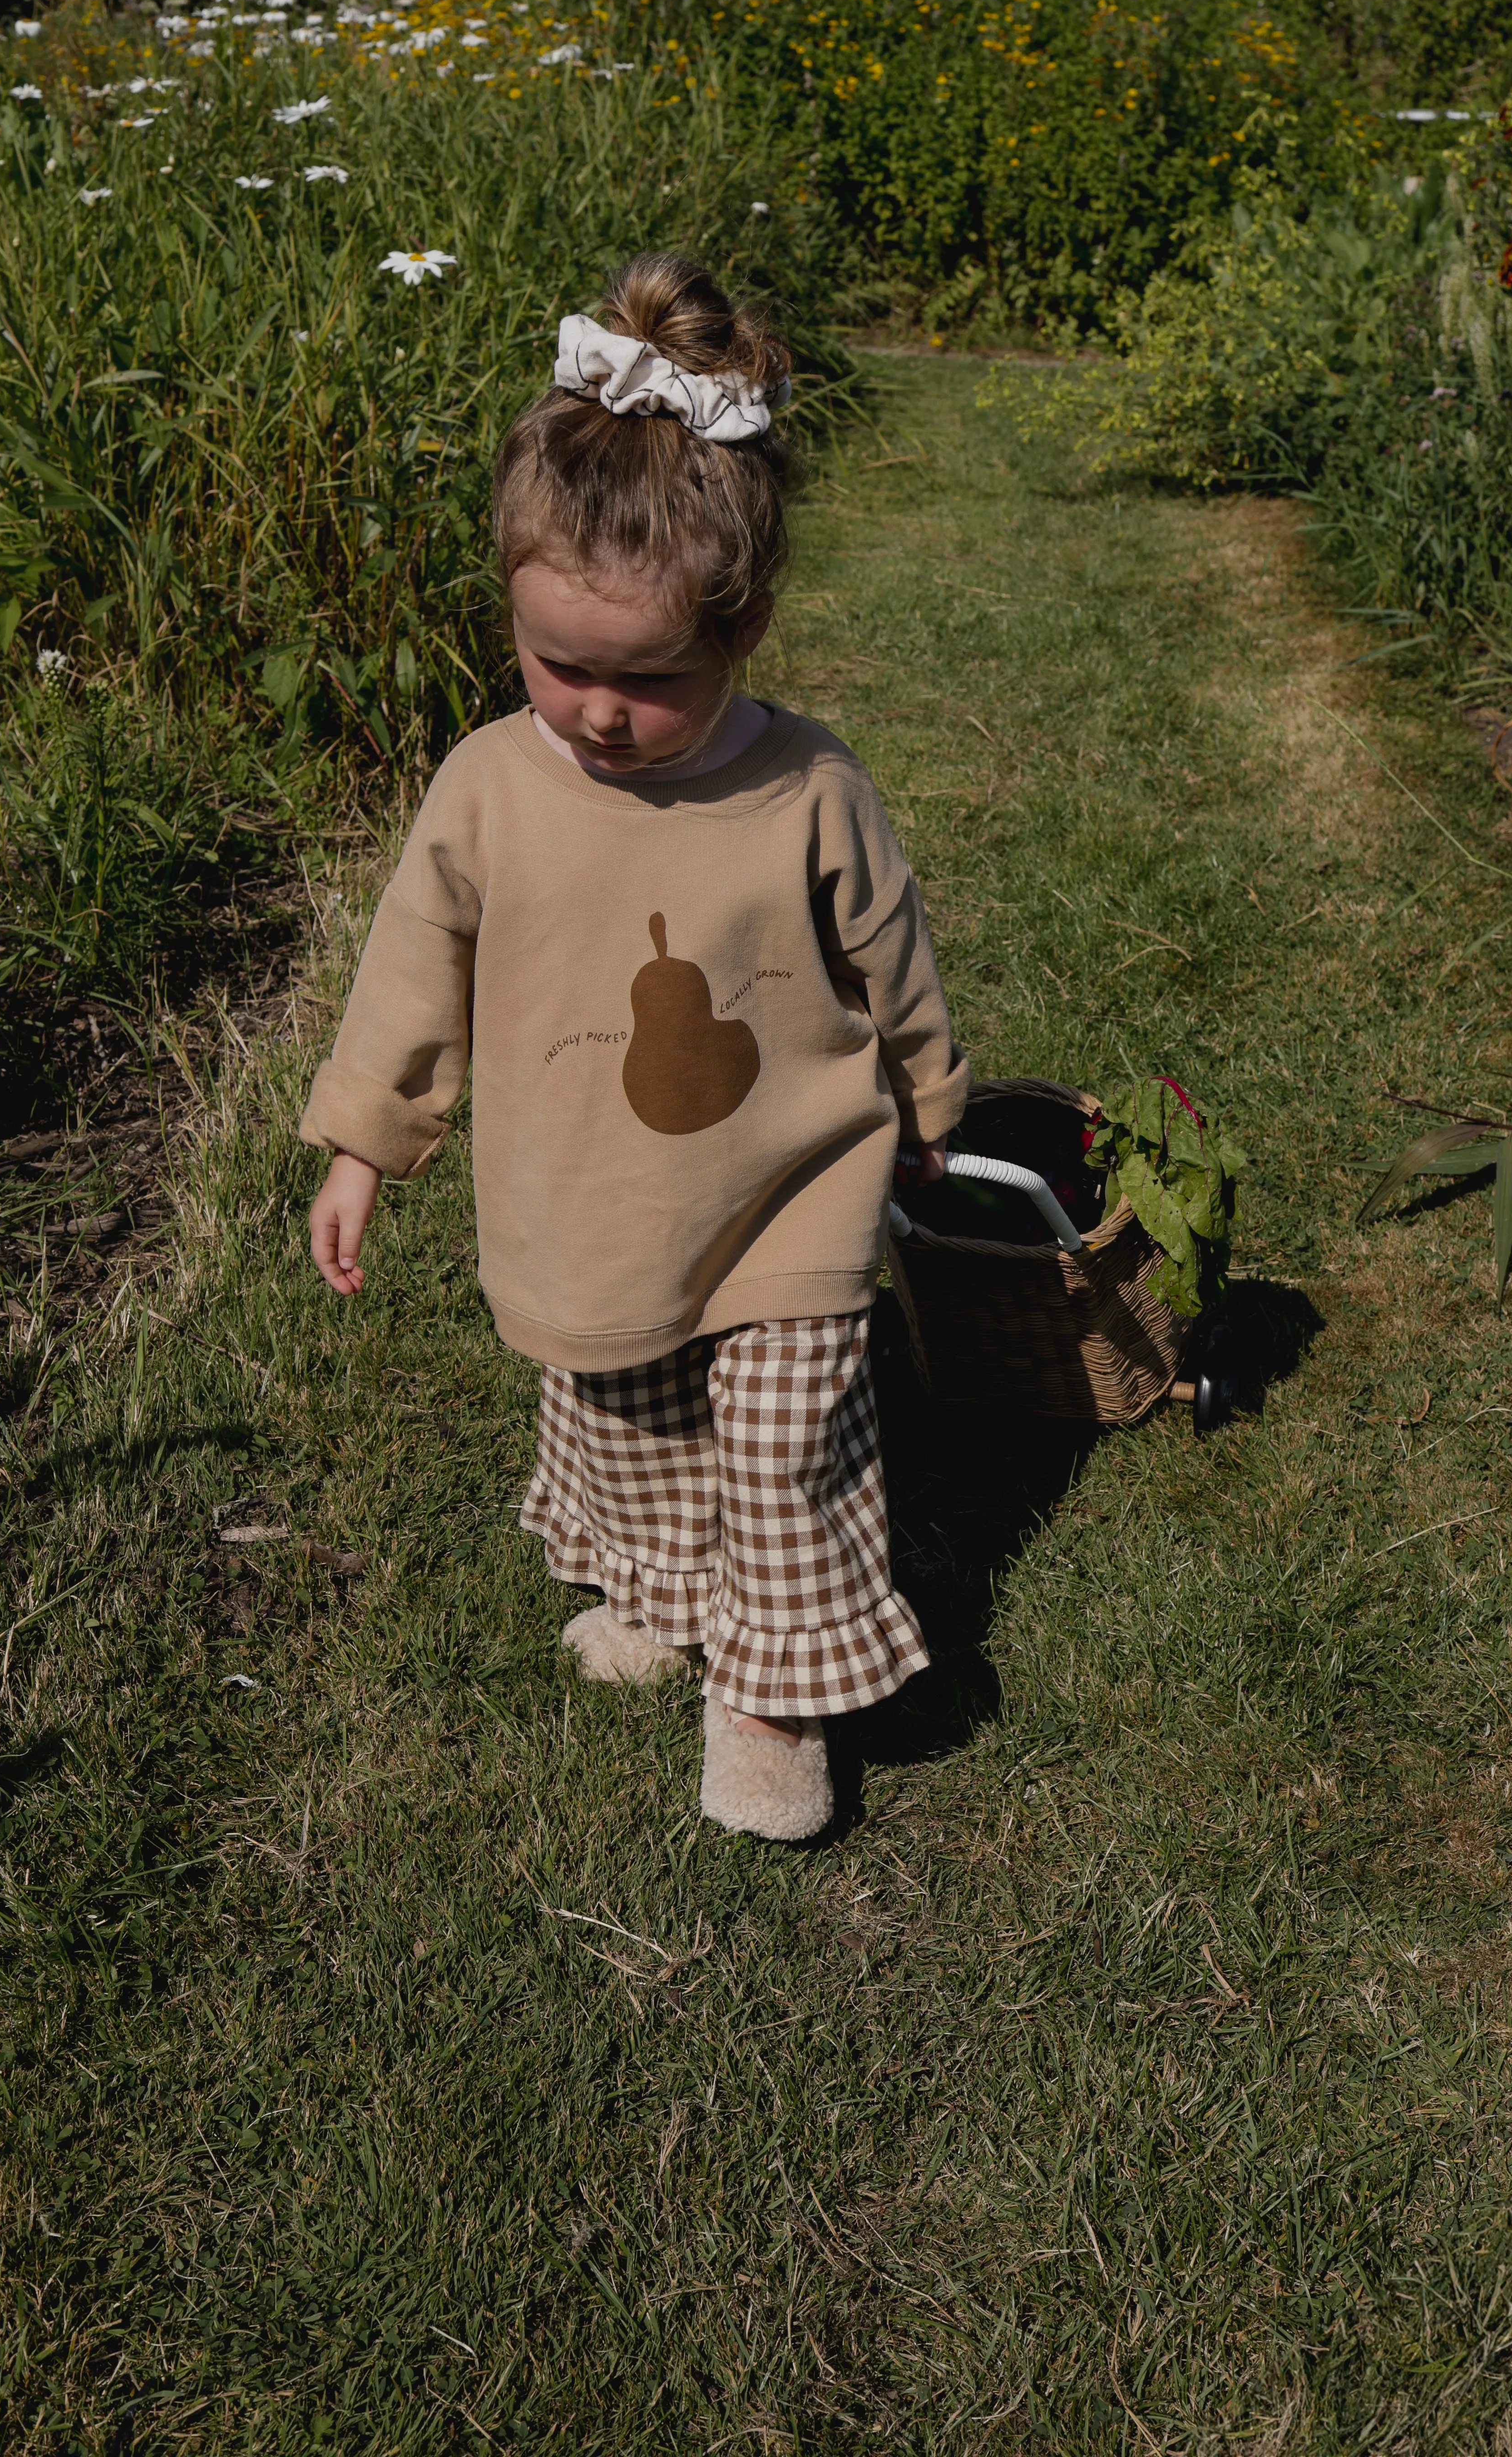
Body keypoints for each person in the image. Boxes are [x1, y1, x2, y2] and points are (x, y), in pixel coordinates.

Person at [301, 251, 968, 1842]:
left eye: (649, 678)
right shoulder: (485, 787)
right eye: (559, 665)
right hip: (587, 1175)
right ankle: (670, 1591)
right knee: (629, 1401)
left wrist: (934, 1099)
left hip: (792, 1173)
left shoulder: (807, 789)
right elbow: (417, 964)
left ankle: (773, 1698)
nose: (599, 711)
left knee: (785, 1428)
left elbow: (894, 955)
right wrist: (362, 1143)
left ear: (742, 630)